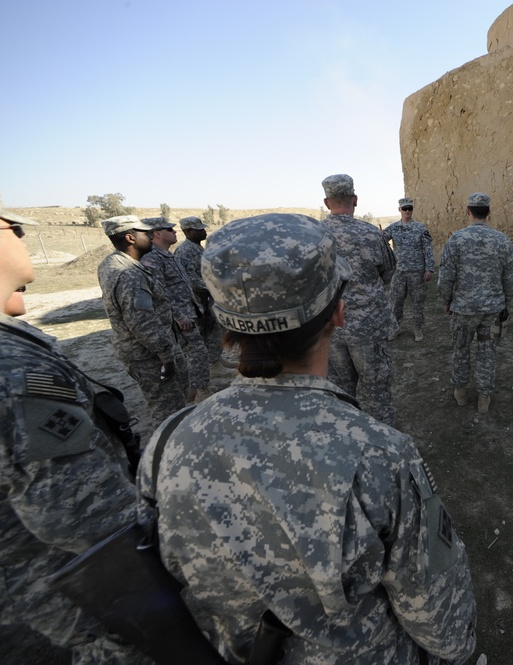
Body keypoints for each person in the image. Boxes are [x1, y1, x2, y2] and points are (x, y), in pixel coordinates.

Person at [137, 213, 477, 664]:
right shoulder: (380, 454)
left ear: (227, 325)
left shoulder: (167, 441)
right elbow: (437, 614)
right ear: (339, 311)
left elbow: (161, 578)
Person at [0, 178, 147, 664]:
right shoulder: (4, 364)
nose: (20, 240)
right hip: (61, 602)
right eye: (16, 230)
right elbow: (85, 513)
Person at [97, 215, 189, 432]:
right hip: (148, 354)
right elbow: (142, 321)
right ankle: (166, 452)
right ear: (130, 237)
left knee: (172, 401)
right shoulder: (128, 274)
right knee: (168, 408)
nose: (150, 237)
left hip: (143, 349)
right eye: (146, 234)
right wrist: (167, 355)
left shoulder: (113, 263)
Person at [319, 174, 397, 425]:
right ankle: (384, 444)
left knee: (340, 393)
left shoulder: (313, 236)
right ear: (354, 199)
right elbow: (388, 272)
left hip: (330, 328)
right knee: (377, 392)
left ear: (326, 202)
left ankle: (346, 441)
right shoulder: (371, 234)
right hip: (368, 328)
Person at [438, 192, 513, 414]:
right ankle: (484, 396)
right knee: (487, 352)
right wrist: (506, 303)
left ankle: (461, 392)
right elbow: (510, 277)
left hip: (464, 309)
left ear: (468, 211)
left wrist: (446, 301)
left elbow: (446, 277)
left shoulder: (456, 240)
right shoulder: (502, 240)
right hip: (493, 309)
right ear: (489, 212)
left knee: (461, 349)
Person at [140, 217, 213, 402]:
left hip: (187, 310)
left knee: (190, 352)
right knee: (197, 352)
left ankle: (193, 390)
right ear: (157, 233)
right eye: (170, 230)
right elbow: (159, 292)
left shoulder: (166, 254)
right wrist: (179, 316)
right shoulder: (152, 257)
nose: (175, 232)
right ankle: (202, 393)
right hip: (178, 316)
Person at [174, 215, 231, 375]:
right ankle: (213, 365)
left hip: (207, 299)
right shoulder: (185, 251)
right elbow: (190, 280)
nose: (204, 232)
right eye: (199, 230)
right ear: (188, 231)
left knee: (213, 331)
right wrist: (216, 287)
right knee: (204, 333)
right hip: (197, 301)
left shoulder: (197, 248)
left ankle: (215, 359)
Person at [383, 197, 435, 342]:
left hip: (417, 272)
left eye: (409, 208)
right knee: (396, 302)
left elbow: (427, 249)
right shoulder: (393, 228)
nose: (407, 211)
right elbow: (380, 241)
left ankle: (417, 328)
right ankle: (395, 328)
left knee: (418, 302)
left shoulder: (420, 228)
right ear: (399, 210)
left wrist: (429, 269)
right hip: (398, 272)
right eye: (404, 209)